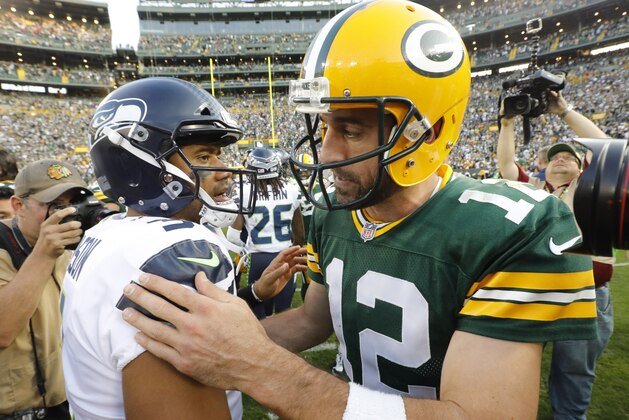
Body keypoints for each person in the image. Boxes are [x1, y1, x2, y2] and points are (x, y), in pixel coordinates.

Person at [121, 1, 597, 418]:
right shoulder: (331, 212)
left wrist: (263, 370)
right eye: (324, 126)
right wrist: (227, 341)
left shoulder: (512, 227)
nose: (326, 153)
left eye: (349, 130)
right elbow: (312, 319)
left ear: (425, 134)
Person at [60, 77, 306, 420]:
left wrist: (253, 295)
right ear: (139, 164)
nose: (224, 171)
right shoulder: (177, 249)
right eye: (204, 155)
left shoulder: (107, 232)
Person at [496, 89, 614, 420]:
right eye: (553, 158)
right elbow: (506, 165)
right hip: (538, 291)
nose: (560, 159)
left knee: (573, 375)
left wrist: (564, 111)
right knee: (516, 364)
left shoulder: (593, 189)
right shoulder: (536, 190)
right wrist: (506, 123)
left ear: (582, 169)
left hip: (587, 295)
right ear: (544, 171)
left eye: (569, 157)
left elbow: (608, 149)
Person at [0, 159, 89, 420]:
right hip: (13, 411)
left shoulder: (63, 245)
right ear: (19, 206)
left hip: (60, 401)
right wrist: (44, 254)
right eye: (55, 206)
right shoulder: (8, 247)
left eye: (73, 204)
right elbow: (2, 331)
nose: (67, 214)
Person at [227, 147, 304, 319]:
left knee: (260, 312)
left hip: (258, 258)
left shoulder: (244, 192)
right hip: (285, 255)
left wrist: (244, 251)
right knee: (284, 311)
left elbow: (232, 236)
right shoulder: (291, 190)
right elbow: (299, 234)